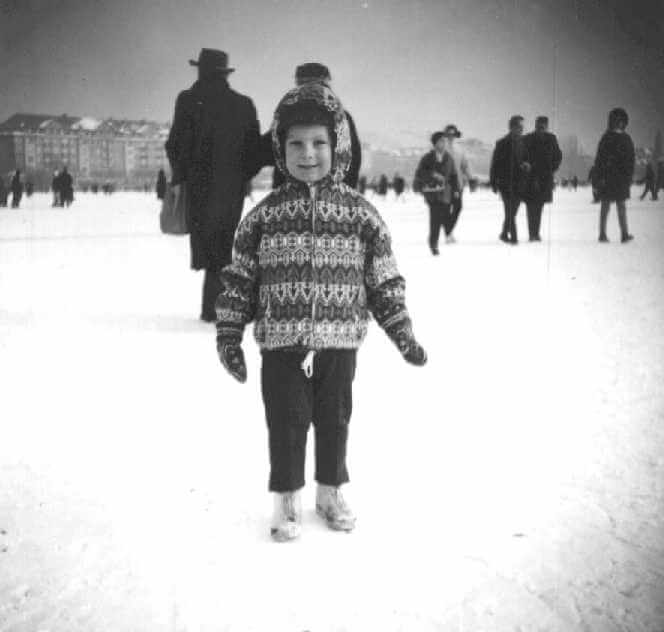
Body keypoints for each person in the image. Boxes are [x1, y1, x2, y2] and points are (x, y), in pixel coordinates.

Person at [214, 81, 427, 542]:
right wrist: (229, 333)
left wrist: (402, 332)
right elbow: (239, 280)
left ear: (339, 147)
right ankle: (287, 501)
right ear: (279, 148)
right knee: (286, 424)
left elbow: (384, 280)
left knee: (334, 421)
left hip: (339, 341)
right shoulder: (263, 218)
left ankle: (330, 493)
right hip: (282, 342)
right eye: (295, 143)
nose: (307, 153)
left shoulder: (360, 215)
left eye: (319, 143)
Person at [165, 48, 261, 322]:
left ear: (200, 71)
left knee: (208, 247)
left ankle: (214, 307)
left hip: (198, 187)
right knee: (225, 243)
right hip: (230, 189)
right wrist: (242, 176)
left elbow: (175, 144)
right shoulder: (243, 104)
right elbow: (253, 151)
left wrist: (181, 176)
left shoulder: (187, 100)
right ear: (223, 73)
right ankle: (220, 307)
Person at [258, 63, 362, 189]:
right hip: (333, 198)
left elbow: (263, 152)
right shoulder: (342, 117)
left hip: (290, 198)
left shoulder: (287, 115)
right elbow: (354, 160)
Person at [592, 107, 635, 243]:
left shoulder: (618, 138)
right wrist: (600, 177)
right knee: (608, 206)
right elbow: (599, 160)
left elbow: (630, 160)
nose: (619, 123)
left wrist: (628, 176)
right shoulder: (612, 138)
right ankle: (604, 234)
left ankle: (622, 233)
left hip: (617, 178)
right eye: (617, 121)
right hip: (610, 177)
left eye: (620, 121)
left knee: (618, 206)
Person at [413, 130, 459, 254]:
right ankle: (434, 244)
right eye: (440, 141)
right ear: (435, 144)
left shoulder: (449, 158)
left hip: (445, 194)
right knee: (435, 219)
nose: (443, 143)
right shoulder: (427, 158)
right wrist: (432, 174)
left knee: (444, 216)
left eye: (444, 141)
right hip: (432, 193)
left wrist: (456, 190)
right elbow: (420, 173)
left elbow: (454, 175)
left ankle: (438, 237)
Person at [522, 116, 563, 241]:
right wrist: (525, 166)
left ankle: (535, 233)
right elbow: (521, 155)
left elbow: (558, 156)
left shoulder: (551, 139)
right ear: (536, 125)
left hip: (544, 177)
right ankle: (532, 233)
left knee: (539, 206)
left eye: (543, 125)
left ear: (546, 126)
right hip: (530, 177)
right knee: (531, 206)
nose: (541, 127)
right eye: (539, 125)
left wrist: (552, 169)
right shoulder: (527, 139)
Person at [490, 115, 529, 244]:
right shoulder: (501, 143)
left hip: (520, 182)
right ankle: (514, 237)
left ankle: (503, 233)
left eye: (522, 127)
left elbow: (527, 159)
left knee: (513, 211)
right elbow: (495, 163)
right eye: (518, 127)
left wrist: (527, 165)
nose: (521, 129)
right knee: (510, 209)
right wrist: (493, 182)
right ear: (511, 127)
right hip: (505, 182)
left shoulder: (523, 143)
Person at [439, 124, 472, 243]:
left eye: (453, 134)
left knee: (458, 207)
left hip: (458, 184)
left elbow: (465, 165)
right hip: (445, 185)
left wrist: (470, 177)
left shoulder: (460, 149)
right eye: (449, 134)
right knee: (446, 209)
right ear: (446, 135)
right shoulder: (441, 149)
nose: (451, 136)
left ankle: (448, 231)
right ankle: (449, 234)